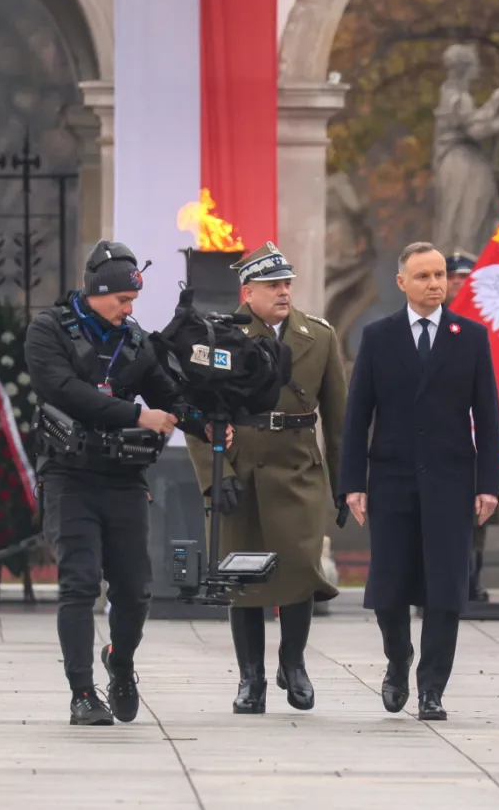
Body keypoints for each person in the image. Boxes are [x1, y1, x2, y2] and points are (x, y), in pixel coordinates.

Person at [25, 239, 217, 726]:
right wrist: (137, 413)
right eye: (122, 300)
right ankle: (82, 693)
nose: (129, 310)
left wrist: (207, 422)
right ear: (96, 291)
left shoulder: (136, 341)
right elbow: (65, 392)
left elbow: (168, 396)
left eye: (133, 301)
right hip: (68, 475)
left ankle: (122, 663)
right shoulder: (49, 331)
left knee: (135, 590)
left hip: (123, 477)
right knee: (79, 584)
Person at [339, 241, 499, 721]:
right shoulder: (378, 337)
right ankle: (398, 659)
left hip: (452, 482)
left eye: (440, 275)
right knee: (388, 588)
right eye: (425, 276)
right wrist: (353, 483)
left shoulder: (469, 337)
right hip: (391, 480)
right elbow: (357, 417)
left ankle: (432, 688)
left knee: (445, 591)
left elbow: (488, 417)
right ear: (402, 283)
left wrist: (488, 483)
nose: (436, 284)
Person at [185, 242, 347, 715]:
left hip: (297, 467)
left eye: (287, 283)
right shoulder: (217, 337)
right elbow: (197, 414)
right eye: (273, 285)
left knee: (299, 567)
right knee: (243, 573)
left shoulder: (318, 336)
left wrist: (344, 486)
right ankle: (250, 678)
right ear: (248, 290)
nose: (283, 292)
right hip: (240, 465)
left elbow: (338, 422)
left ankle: (293, 663)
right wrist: (215, 478)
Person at [444, 249, 492, 602]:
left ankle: (474, 575)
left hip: (482, 425)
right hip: (446, 430)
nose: (459, 285)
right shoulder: (433, 321)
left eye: (466, 278)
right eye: (454, 278)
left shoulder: (488, 323)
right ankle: (455, 577)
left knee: (482, 507)